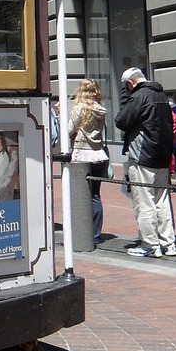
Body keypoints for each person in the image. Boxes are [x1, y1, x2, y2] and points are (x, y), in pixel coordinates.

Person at [114, 67, 176, 258]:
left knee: (144, 203)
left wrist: (126, 99)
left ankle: (150, 245)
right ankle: (169, 243)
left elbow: (121, 121)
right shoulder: (161, 96)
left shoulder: (138, 97)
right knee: (162, 201)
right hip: (162, 156)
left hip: (143, 156)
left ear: (130, 83)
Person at [68, 78, 108, 240]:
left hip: (82, 154)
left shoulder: (80, 109)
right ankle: (96, 233)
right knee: (95, 196)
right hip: (98, 154)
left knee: (80, 194)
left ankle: (82, 231)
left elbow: (68, 130)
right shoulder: (100, 110)